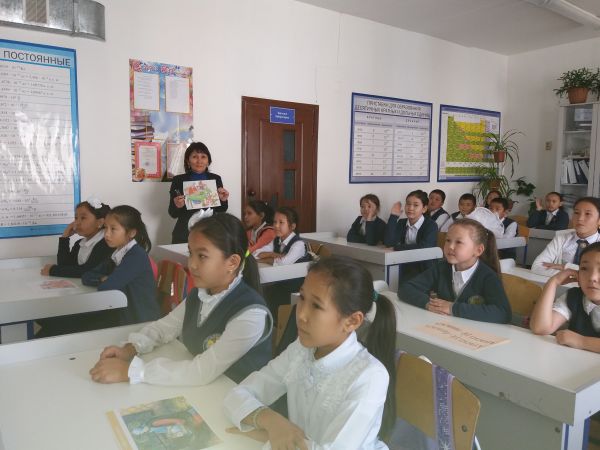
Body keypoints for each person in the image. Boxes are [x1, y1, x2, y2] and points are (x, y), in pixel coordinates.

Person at [223, 256, 396, 449]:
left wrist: (272, 437)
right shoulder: (302, 350)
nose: (301, 314)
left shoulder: (369, 377)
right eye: (302, 298)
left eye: (316, 306)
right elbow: (237, 395)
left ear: (352, 321)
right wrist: (271, 421)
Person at [88, 214, 273, 385]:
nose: (191, 264)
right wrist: (130, 348)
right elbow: (164, 328)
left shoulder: (251, 314)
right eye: (191, 253)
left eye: (202, 256)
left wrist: (132, 371)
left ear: (232, 262)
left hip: (237, 399)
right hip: (208, 391)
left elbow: (202, 371)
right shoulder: (201, 294)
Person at [398, 218, 511, 323]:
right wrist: (428, 303)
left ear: (478, 250)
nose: (450, 246)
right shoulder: (441, 268)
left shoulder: (488, 277)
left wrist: (452, 308)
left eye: (459, 242)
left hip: (472, 333)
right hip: (443, 327)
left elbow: (503, 313)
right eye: (448, 240)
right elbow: (406, 288)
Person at [82, 205, 161, 327]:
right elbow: (86, 276)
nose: (106, 234)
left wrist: (106, 280)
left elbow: (106, 288)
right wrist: (102, 279)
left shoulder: (136, 256)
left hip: (140, 321)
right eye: (105, 228)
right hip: (122, 314)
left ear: (131, 233)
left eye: (113, 229)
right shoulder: (116, 253)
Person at [530, 242, 600, 353]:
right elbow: (540, 328)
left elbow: (579, 342)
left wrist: (581, 341)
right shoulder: (574, 296)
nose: (592, 277)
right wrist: (553, 282)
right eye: (584, 268)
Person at [168, 142, 230, 244]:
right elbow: (172, 213)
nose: (199, 161)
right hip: (184, 234)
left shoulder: (215, 179)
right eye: (194, 157)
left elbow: (221, 209)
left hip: (210, 234)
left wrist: (223, 200)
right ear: (188, 161)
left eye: (203, 157)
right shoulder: (178, 180)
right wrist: (177, 206)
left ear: (208, 161)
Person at [40, 198, 112, 278]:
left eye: (83, 218)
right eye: (76, 218)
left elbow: (89, 271)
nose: (77, 223)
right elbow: (64, 265)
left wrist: (52, 270)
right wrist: (65, 237)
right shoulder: (79, 243)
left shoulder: (106, 243)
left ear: (100, 222)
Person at [531, 197, 600, 277]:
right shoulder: (561, 238)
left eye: (587, 214)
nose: (580, 219)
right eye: (576, 213)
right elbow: (537, 266)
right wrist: (577, 273)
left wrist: (566, 267)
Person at [383, 189, 438, 280]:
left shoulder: (431, 225)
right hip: (404, 265)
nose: (410, 208)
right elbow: (389, 243)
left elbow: (424, 247)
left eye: (415, 205)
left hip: (423, 268)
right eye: (408, 204)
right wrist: (393, 216)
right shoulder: (401, 222)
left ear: (424, 209)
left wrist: (397, 248)